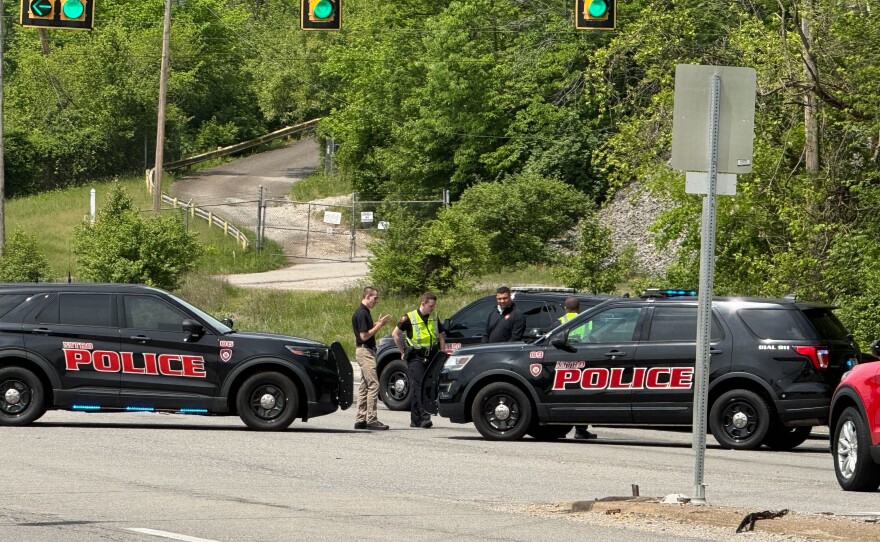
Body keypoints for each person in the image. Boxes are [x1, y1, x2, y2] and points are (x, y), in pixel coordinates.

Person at [392, 292, 446, 429]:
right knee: (421, 385)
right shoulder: (409, 317)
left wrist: (443, 352)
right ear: (423, 303)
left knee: (422, 386)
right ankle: (424, 417)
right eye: (430, 306)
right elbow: (395, 334)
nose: (432, 309)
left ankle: (415, 419)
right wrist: (402, 351)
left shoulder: (434, 317)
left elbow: (440, 336)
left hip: (432, 355)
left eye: (434, 306)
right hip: (416, 357)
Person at [558, 296, 597, 441]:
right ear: (578, 307)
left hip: (563, 363)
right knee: (582, 397)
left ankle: (560, 429)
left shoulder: (560, 321)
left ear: (565, 307)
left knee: (563, 396)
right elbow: (594, 340)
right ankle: (581, 430)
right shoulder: (587, 321)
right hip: (582, 361)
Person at [352, 287, 392, 430]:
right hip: (365, 352)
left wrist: (376, 323)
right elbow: (364, 336)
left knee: (365, 385)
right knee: (374, 384)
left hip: (364, 351)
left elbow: (366, 331)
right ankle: (371, 419)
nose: (377, 301)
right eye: (375, 298)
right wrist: (379, 326)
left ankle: (360, 418)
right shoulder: (362, 313)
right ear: (368, 296)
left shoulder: (364, 312)